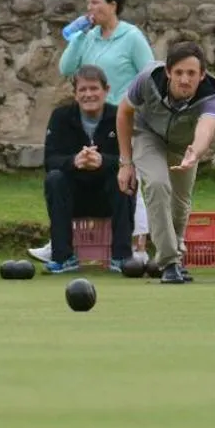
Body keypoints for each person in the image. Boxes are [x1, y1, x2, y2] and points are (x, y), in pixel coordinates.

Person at [29, 0, 155, 265]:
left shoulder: (131, 37)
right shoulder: (88, 36)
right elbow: (66, 68)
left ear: (113, 5)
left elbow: (149, 77)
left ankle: (135, 246)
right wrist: (78, 36)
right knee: (61, 177)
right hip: (90, 116)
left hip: (124, 116)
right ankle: (59, 246)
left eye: (95, 2)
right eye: (88, 3)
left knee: (127, 174)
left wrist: (135, 110)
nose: (90, 8)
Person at [117, 42, 215, 285]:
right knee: (157, 184)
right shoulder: (147, 80)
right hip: (147, 135)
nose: (185, 80)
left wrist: (194, 152)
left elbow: (206, 128)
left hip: (185, 144)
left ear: (202, 75)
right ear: (168, 72)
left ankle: (174, 253)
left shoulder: (212, 96)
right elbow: (123, 113)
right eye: (179, 72)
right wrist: (126, 163)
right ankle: (169, 262)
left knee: (180, 202)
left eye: (191, 73)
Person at [41, 65, 134, 274]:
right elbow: (50, 160)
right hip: (73, 198)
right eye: (82, 89)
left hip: (108, 197)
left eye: (94, 88)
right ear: (75, 94)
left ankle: (122, 257)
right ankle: (63, 257)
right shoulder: (60, 117)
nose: (88, 94)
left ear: (106, 90)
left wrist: (103, 161)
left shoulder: (119, 116)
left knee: (125, 176)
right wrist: (75, 161)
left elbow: (130, 159)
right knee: (54, 178)